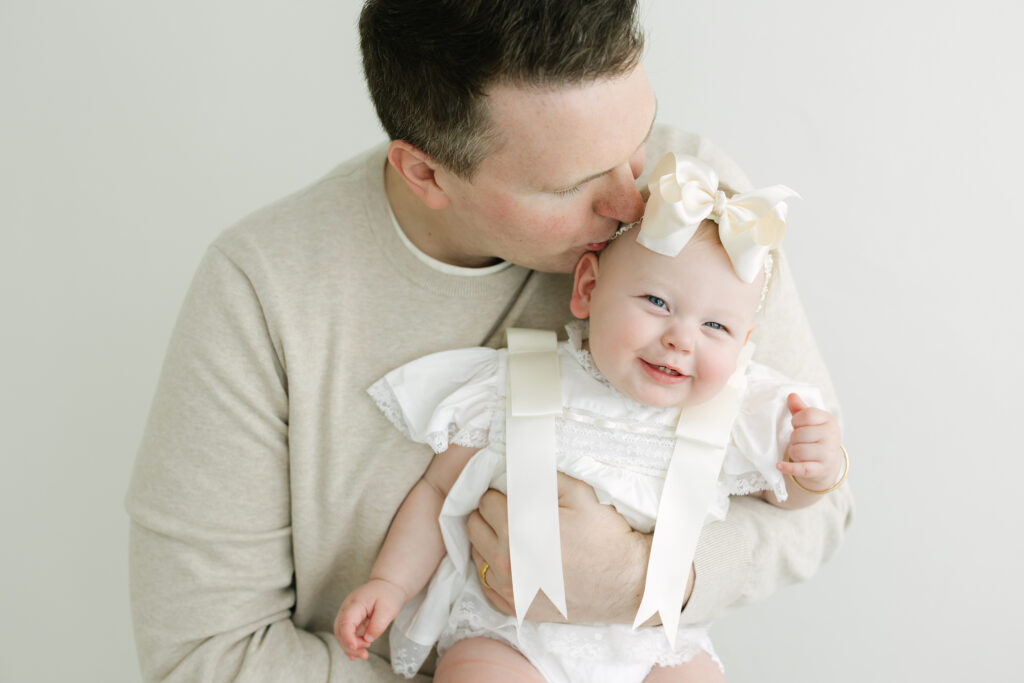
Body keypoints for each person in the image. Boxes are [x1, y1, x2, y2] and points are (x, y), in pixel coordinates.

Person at [126, 1, 852, 681]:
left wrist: (636, 580)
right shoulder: (265, 292)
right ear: (425, 172)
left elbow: (821, 499)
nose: (634, 203)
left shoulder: (700, 211)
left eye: (638, 137)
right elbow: (205, 655)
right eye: (570, 185)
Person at [333, 156, 847, 682]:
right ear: (587, 288)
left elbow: (787, 498)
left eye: (715, 325)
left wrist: (816, 470)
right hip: (512, 636)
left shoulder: (740, 412)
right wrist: (390, 584)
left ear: (744, 347)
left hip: (653, 641)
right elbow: (438, 492)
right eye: (656, 301)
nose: (681, 338)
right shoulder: (520, 383)